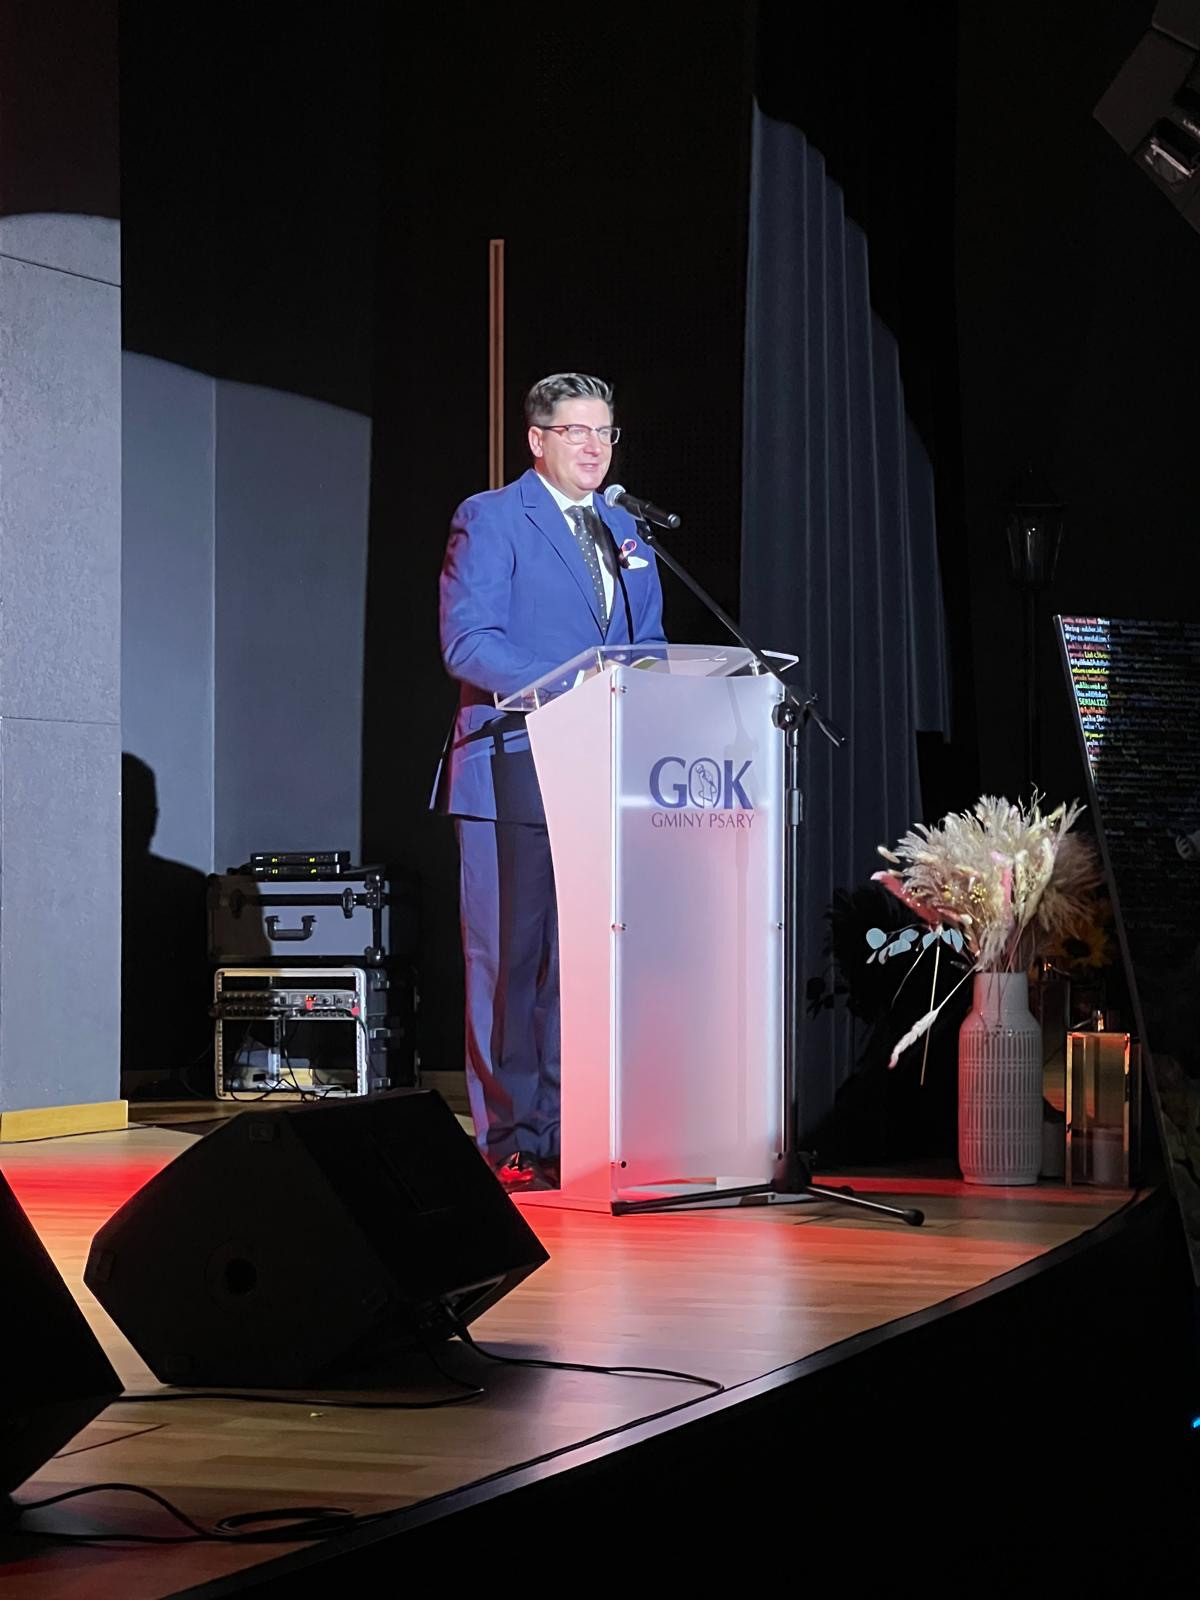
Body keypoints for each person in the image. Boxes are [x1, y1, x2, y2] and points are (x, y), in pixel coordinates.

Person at [433, 372, 667, 1189]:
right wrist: (576, 685)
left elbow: (650, 646)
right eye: (577, 431)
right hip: (511, 773)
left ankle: (573, 1131)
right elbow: (469, 643)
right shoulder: (493, 517)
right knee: (510, 964)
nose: (595, 447)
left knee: (580, 966)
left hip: (601, 777)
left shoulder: (626, 529)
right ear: (537, 440)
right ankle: (509, 1139)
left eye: (606, 431)